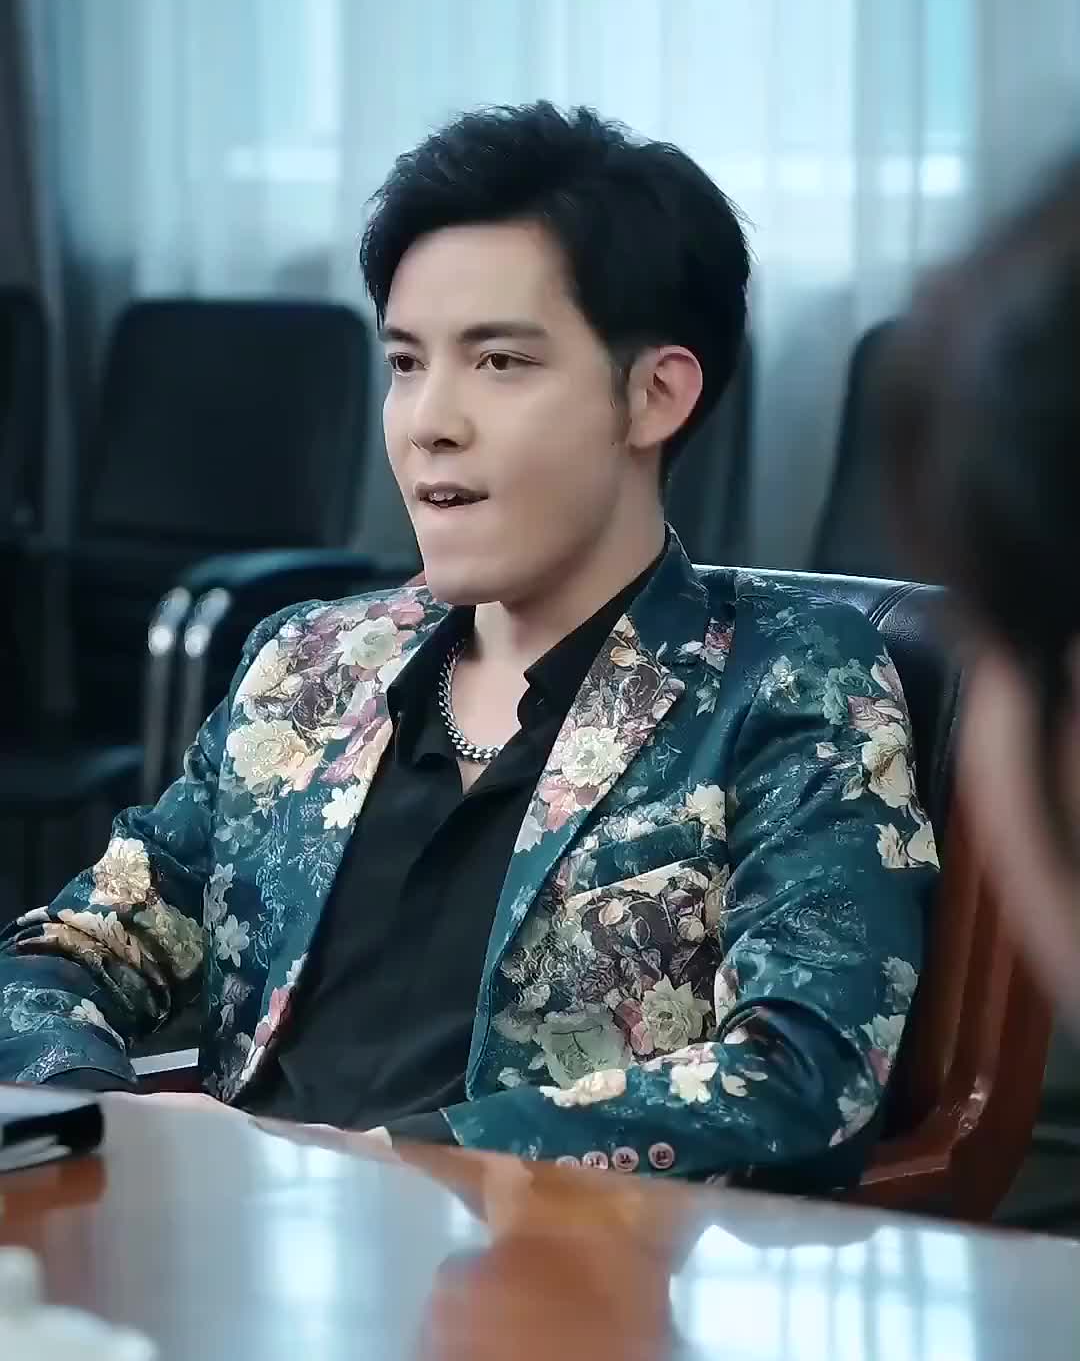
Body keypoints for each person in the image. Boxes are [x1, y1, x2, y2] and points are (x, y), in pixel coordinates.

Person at [0, 102, 935, 1185]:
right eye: (406, 363)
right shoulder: (312, 665)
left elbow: (801, 1073)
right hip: (227, 1243)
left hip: (549, 1270)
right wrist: (110, 1128)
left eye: (498, 362)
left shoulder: (788, 677)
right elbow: (65, 957)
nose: (429, 421)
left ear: (656, 394)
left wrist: (380, 1167)